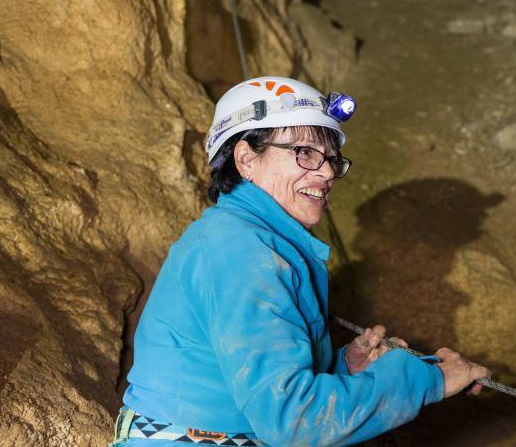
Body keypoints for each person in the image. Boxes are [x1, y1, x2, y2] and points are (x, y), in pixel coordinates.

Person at [111, 76, 490, 446]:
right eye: (304, 153)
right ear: (246, 158)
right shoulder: (242, 253)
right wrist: (428, 381)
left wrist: (345, 369)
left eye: (330, 159)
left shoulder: (259, 243)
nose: (326, 172)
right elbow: (292, 421)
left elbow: (253, 383)